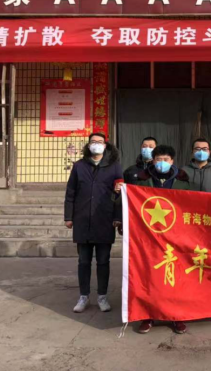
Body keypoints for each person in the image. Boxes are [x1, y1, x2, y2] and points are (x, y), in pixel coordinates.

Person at [64, 132, 123, 315]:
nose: (96, 144)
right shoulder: (79, 166)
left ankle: (102, 296)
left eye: (100, 142)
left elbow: (120, 195)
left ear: (105, 145)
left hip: (105, 220)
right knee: (83, 261)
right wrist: (68, 217)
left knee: (103, 261)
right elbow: (70, 192)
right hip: (82, 220)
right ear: (88, 145)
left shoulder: (114, 166)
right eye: (93, 142)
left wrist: (117, 217)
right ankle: (83, 296)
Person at [135, 144, 190, 334]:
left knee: (175, 277)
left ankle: (176, 316)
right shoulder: (142, 180)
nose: (162, 162)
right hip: (148, 237)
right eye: (158, 159)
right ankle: (147, 316)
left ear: (172, 161)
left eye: (166, 159)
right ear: (153, 160)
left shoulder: (183, 181)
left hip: (176, 237)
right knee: (149, 277)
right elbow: (129, 203)